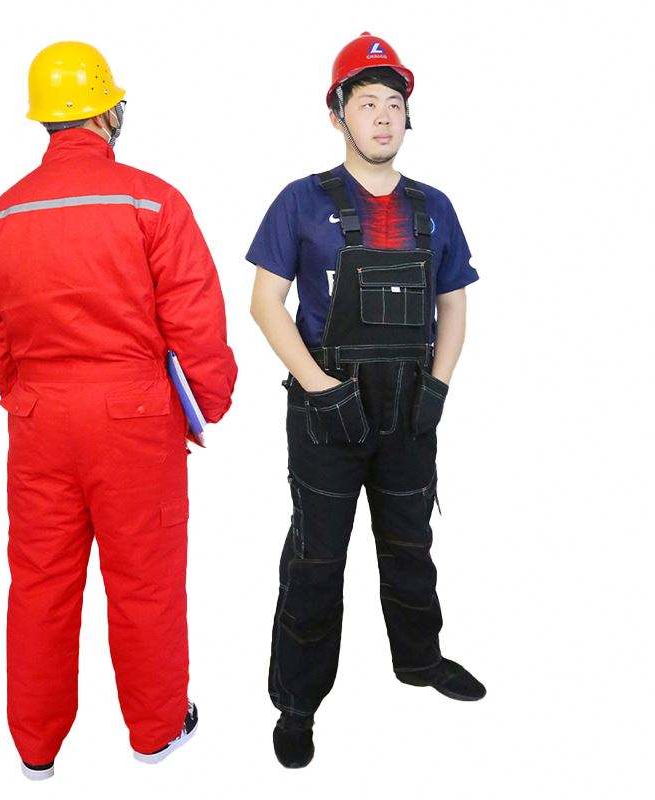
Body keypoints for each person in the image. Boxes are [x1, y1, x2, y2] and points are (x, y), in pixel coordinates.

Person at [0, 41, 237, 779]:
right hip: (133, 419)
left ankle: (35, 749)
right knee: (144, 580)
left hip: (39, 423)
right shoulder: (151, 201)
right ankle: (156, 731)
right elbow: (195, 319)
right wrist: (206, 404)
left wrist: (25, 398)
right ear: (105, 110)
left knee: (40, 585)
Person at [247, 32, 485, 768]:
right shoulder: (300, 201)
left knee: (411, 542)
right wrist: (319, 389)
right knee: (317, 558)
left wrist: (439, 385)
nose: (383, 116)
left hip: (410, 407)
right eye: (366, 103)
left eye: (394, 104)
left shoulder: (434, 207)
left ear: (407, 117)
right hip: (328, 409)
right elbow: (264, 304)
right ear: (337, 115)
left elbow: (454, 303)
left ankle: (420, 659)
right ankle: (297, 702)